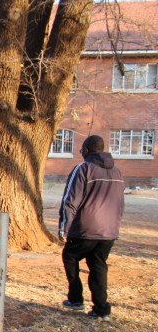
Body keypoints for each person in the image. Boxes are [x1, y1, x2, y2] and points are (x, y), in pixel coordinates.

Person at [58, 134, 125, 321]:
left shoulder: (83, 168)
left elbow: (70, 201)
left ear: (86, 150)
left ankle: (75, 298)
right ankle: (101, 309)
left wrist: (64, 228)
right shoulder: (117, 172)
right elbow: (121, 203)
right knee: (98, 266)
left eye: (81, 150)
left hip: (85, 229)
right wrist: (115, 225)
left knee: (70, 257)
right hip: (109, 231)